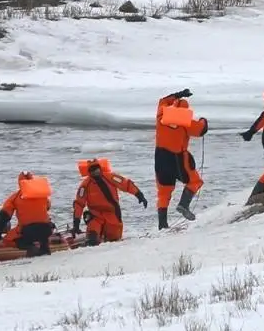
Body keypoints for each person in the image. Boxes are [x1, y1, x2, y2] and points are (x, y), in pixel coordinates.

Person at [155, 88, 209, 228]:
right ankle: (183, 205)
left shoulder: (161, 115)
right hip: (178, 157)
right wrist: (204, 120)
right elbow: (201, 130)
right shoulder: (186, 121)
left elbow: (162, 100)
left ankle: (162, 224)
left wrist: (178, 95)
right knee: (195, 181)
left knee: (163, 191)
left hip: (160, 157)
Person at [72, 158, 148, 246]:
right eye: (92, 170)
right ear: (89, 172)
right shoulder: (85, 185)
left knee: (114, 239)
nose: (95, 171)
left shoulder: (111, 177)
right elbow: (79, 204)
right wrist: (76, 224)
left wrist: (139, 195)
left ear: (100, 168)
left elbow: (126, 184)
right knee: (92, 238)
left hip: (112, 213)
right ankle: (93, 234)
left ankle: (103, 234)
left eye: (96, 169)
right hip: (95, 215)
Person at [0, 172, 54, 256]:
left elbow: (4, 215)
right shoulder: (42, 194)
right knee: (42, 227)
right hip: (47, 229)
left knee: (7, 240)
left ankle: (30, 248)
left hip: (27, 231)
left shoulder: (15, 196)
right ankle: (44, 248)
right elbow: (47, 207)